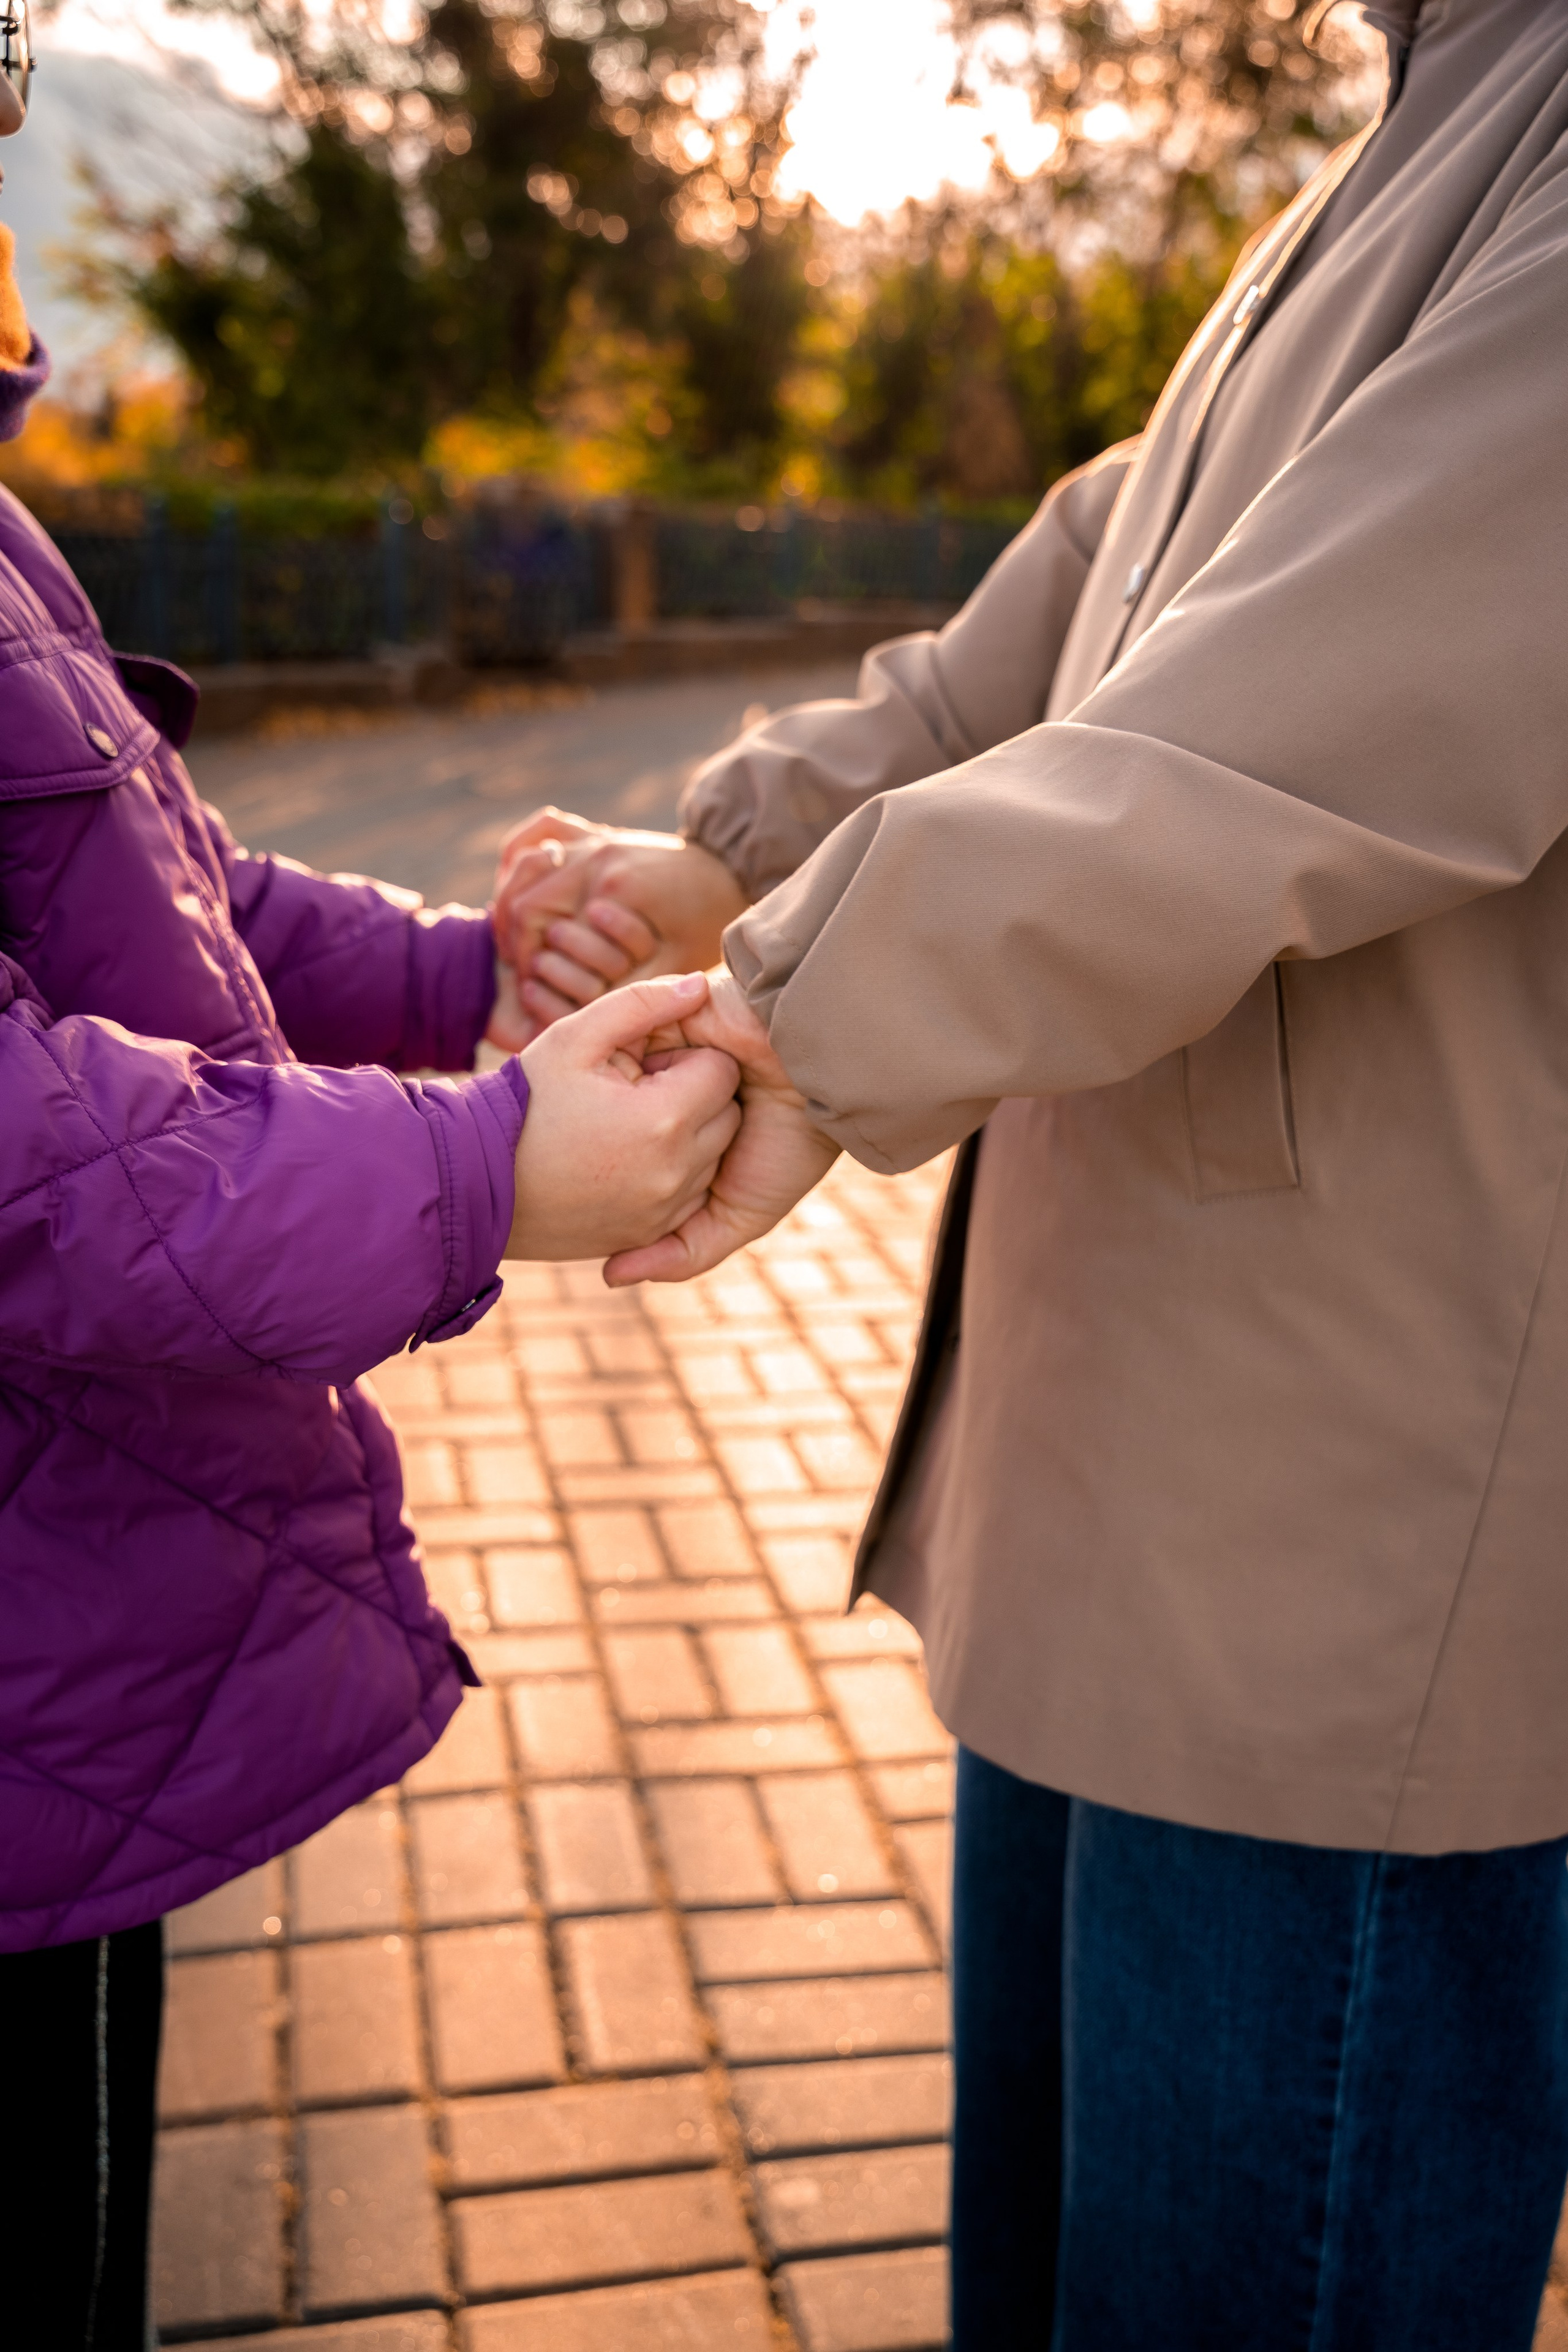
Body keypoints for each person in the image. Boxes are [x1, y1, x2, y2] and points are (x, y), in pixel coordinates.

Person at [494, 2, 1568, 2343]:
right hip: (1126, 1475)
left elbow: (1297, 714)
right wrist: (726, 852)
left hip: (1347, 1547)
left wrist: (798, 1012)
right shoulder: (1416, 125)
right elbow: (1096, 591)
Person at [0, 27, 743, 2346]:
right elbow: (31, 1154)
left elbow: (157, 886)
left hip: (69, 1623)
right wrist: (487, 1171)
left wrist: (461, 976)